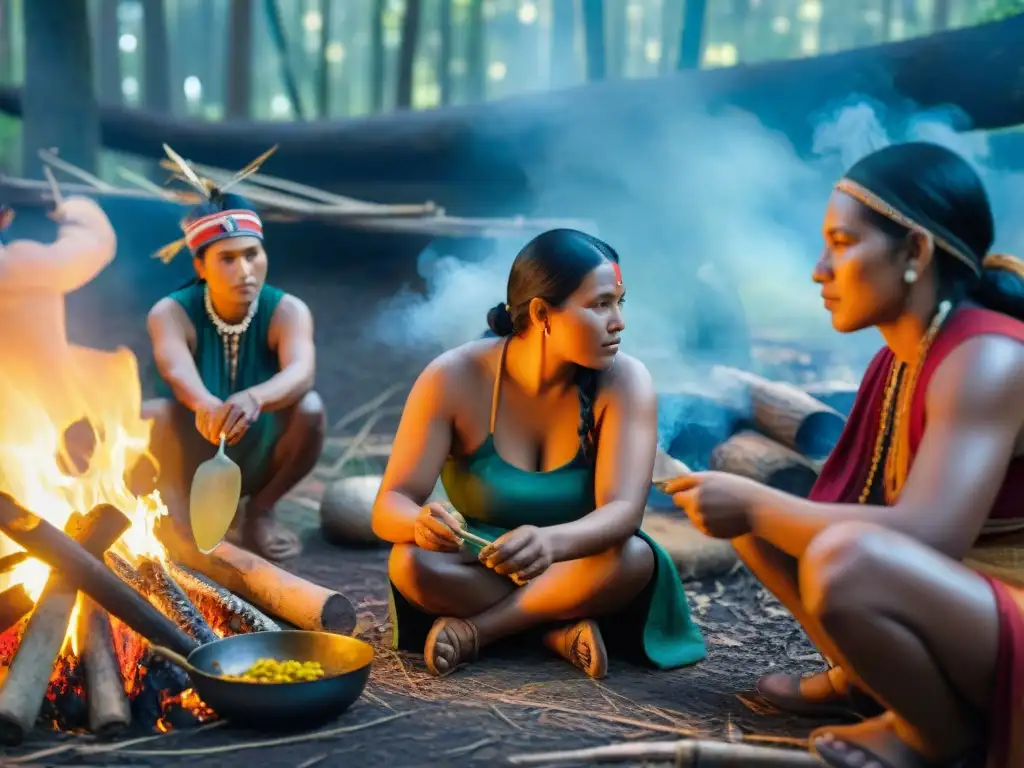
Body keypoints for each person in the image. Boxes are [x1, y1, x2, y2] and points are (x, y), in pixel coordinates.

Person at [662, 141, 1024, 765]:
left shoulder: (988, 355)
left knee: (841, 557)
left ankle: (935, 737)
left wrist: (755, 503)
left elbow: (927, 538)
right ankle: (868, 680)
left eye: (842, 242)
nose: (819, 269)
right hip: (965, 601)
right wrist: (753, 510)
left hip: (1010, 604)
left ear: (915, 251)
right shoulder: (899, 359)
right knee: (762, 527)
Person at [372, 228, 706, 679]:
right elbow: (388, 505)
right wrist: (419, 523)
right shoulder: (452, 378)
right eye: (600, 304)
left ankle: (482, 632)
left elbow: (624, 513)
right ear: (542, 313)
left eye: (619, 303)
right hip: (486, 559)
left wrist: (551, 542)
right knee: (410, 562)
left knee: (632, 558)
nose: (619, 321)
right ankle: (554, 631)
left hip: (579, 562)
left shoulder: (626, 382)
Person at [143, 149, 323, 562]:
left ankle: (260, 512)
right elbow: (175, 370)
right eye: (227, 258)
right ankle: (177, 515)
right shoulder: (170, 312)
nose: (245, 270)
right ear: (200, 266)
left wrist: (255, 398)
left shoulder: (288, 310)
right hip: (188, 447)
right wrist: (205, 404)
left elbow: (303, 371)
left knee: (310, 409)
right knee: (152, 414)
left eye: (252, 254)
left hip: (261, 444)